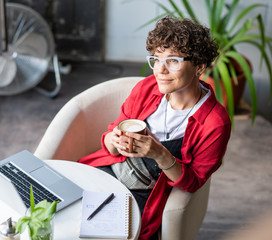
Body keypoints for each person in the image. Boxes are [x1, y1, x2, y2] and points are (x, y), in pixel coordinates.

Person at [78, 16, 231, 240]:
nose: (160, 70)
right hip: (108, 172)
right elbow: (110, 142)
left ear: (199, 66)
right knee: (63, 213)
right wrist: (114, 139)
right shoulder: (147, 88)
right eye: (156, 59)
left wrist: (159, 153)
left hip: (143, 194)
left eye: (173, 61)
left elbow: (193, 182)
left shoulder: (215, 123)